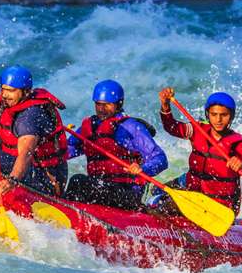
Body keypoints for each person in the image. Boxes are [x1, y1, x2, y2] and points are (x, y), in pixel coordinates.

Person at [64, 80, 168, 210]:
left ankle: (67, 212)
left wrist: (142, 169)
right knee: (75, 181)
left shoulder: (131, 127)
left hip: (127, 193)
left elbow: (161, 159)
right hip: (99, 187)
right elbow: (66, 151)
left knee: (78, 181)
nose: (101, 109)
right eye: (98, 104)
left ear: (119, 104)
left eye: (107, 105)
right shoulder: (90, 126)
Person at [156, 87, 242, 216]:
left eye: (224, 115)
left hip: (220, 204)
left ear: (231, 116)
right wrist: (165, 105)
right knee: (156, 192)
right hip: (193, 190)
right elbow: (172, 127)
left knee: (164, 208)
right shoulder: (197, 130)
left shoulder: (239, 143)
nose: (218, 120)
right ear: (208, 114)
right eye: (214, 114)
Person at [0, 66, 68, 197]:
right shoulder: (4, 102)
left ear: (26, 92)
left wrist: (12, 180)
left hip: (45, 179)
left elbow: (26, 153)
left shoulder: (30, 117)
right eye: (3, 89)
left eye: (11, 91)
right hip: (26, 169)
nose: (5, 94)